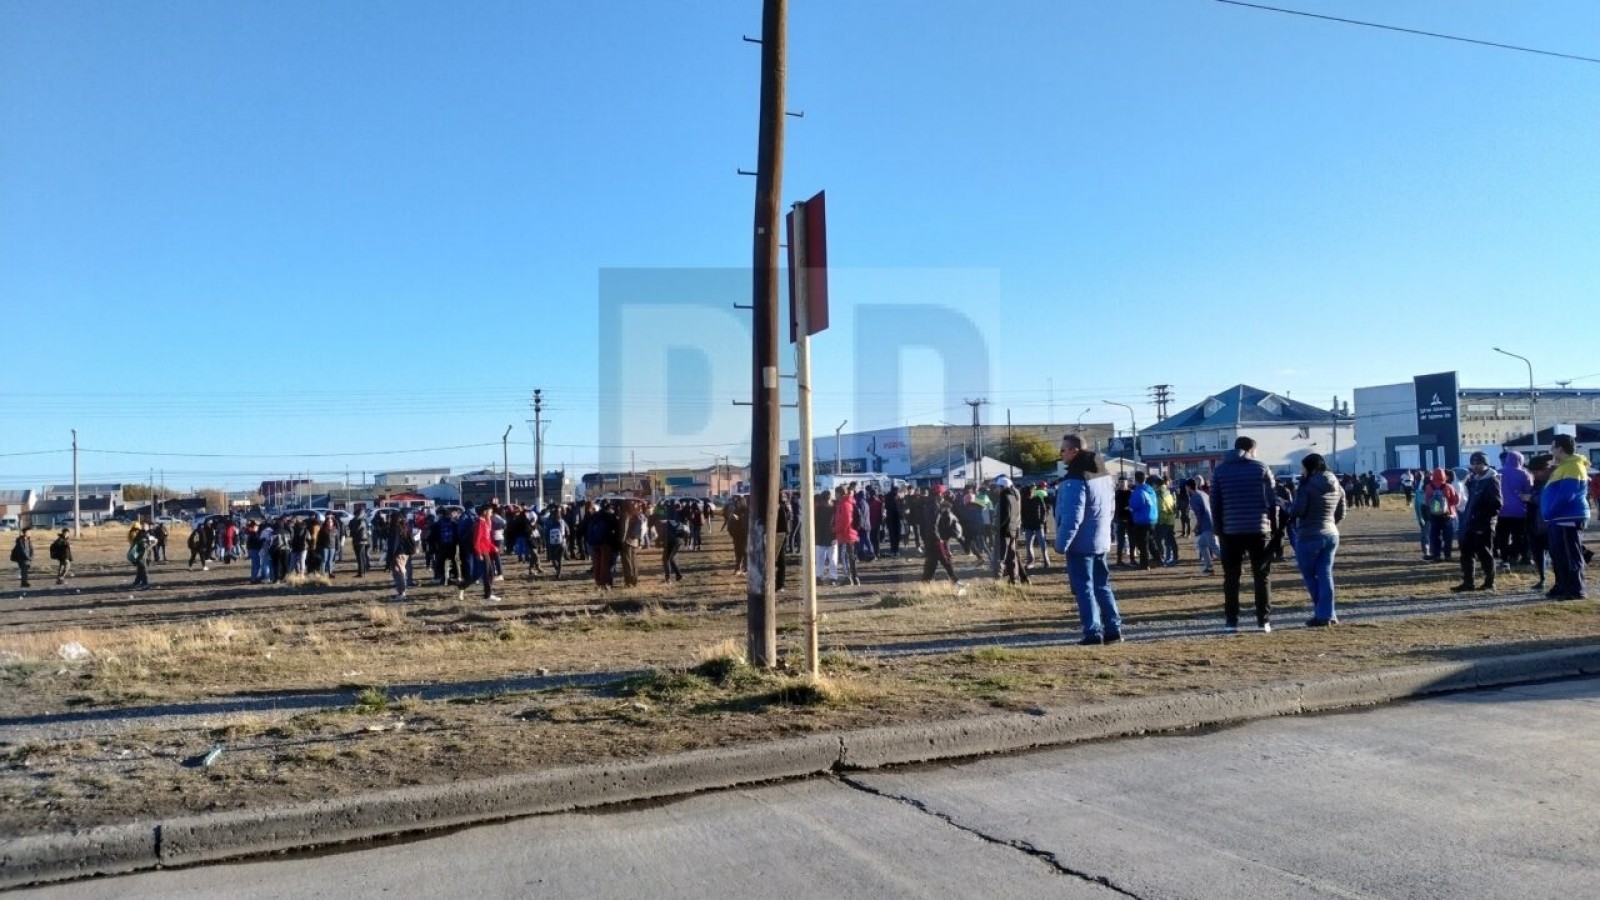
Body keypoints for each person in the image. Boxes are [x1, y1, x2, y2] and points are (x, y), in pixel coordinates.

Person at [1054, 435, 1121, 645]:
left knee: (1084, 588)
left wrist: (1061, 544)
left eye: (1063, 450)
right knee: (1103, 585)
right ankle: (1113, 629)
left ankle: (1092, 632)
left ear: (1074, 450)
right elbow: (1111, 508)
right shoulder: (1103, 474)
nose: (1061, 454)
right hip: (1100, 539)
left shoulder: (1075, 478)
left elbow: (1072, 516)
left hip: (1080, 543)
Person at [1210, 436, 1279, 633]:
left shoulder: (1219, 471)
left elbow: (1215, 503)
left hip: (1230, 530)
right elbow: (1272, 500)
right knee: (1262, 576)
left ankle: (1231, 621)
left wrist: (1219, 529)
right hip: (1258, 528)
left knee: (1231, 578)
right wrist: (1274, 527)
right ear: (1251, 450)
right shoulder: (1261, 468)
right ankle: (1263, 621)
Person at [1290, 454, 1346, 626]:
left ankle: (1323, 614)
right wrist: (1329, 523)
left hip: (1309, 534)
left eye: (1303, 468)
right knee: (1325, 574)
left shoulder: (1306, 486)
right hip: (1331, 533)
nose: (1302, 471)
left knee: (1310, 576)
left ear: (1310, 468)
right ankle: (1329, 614)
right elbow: (1342, 512)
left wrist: (1285, 505)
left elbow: (1297, 511)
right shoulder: (1337, 484)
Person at [1541, 434, 1590, 600]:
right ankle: (1562, 586)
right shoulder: (1563, 466)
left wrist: (1550, 511)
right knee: (1558, 554)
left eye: (1552, 447)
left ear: (1560, 449)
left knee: (1570, 554)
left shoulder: (1573, 466)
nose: (1551, 451)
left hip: (1567, 516)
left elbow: (1567, 494)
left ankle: (1576, 589)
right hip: (1558, 518)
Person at [1452, 451, 1502, 592]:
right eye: (1473, 463)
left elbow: (1497, 504)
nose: (1475, 466)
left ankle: (1490, 583)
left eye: (1479, 463)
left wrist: (1483, 518)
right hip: (1470, 522)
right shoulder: (1473, 480)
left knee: (1484, 553)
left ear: (1485, 464)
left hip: (1484, 524)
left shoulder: (1492, 480)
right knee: (1466, 553)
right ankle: (1468, 582)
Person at [1496, 450, 1532, 571]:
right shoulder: (1524, 474)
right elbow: (1529, 491)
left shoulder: (1499, 473)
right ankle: (1515, 556)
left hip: (1502, 510)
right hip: (1520, 510)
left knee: (1503, 536)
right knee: (1519, 536)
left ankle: (1504, 559)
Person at [992, 476, 1029, 585]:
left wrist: (997, 527)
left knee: (1000, 556)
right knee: (1012, 556)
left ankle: (997, 579)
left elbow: (1005, 516)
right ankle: (1015, 580)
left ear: (1002, 487)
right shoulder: (1014, 496)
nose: (996, 489)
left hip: (1004, 531)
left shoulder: (1004, 497)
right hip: (1013, 530)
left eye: (997, 486)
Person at [1422, 468, 1458, 561]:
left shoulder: (1429, 487)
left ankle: (1436, 555)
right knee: (1448, 537)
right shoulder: (1448, 486)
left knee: (1435, 536)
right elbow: (1455, 501)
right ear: (1444, 476)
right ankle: (1447, 555)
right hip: (1447, 515)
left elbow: (1426, 502)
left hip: (1434, 515)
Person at [1186, 478, 1219, 575]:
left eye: (1186, 487)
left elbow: (1199, 514)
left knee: (1215, 548)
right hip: (1211, 522)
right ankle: (1209, 566)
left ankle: (1233, 564)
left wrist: (1197, 527)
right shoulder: (1203, 493)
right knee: (1201, 544)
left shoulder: (1193, 498)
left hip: (1207, 525)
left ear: (1188, 487)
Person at [1126, 473, 1157, 569]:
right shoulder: (1150, 490)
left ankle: (1144, 564)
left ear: (1136, 480)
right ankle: (1158, 559)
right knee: (1151, 541)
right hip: (1152, 518)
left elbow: (1134, 505)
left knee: (1142, 543)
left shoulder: (1138, 491)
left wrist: (1129, 506)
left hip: (1142, 520)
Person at [384, 515, 415, 602]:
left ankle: (401, 593)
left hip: (397, 554)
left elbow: (394, 544)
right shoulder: (404, 527)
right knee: (401, 573)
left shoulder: (395, 529)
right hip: (404, 553)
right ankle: (401, 592)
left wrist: (390, 557)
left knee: (398, 574)